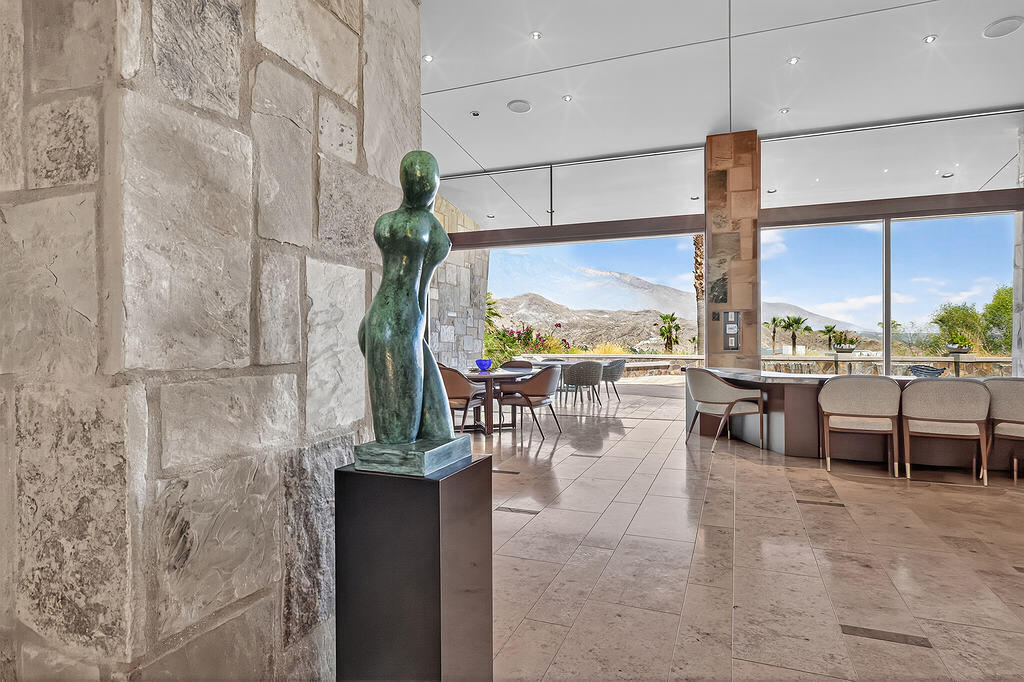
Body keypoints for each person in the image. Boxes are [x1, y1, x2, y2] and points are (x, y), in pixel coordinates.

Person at [358, 151, 455, 444]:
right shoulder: (431, 228)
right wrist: (418, 331)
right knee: (397, 439)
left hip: (378, 319)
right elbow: (420, 290)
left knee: (439, 432)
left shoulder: (386, 223)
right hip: (403, 324)